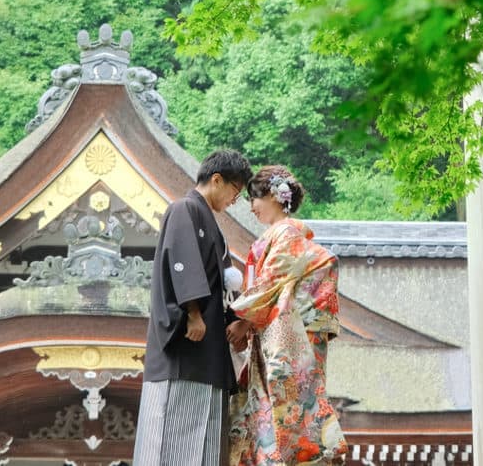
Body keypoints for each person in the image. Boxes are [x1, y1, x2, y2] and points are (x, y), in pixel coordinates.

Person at [134, 149, 253, 466]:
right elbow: (182, 263)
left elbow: (223, 286)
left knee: (205, 443)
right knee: (171, 439)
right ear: (217, 180)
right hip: (186, 348)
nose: (234, 201)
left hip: (207, 351)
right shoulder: (184, 209)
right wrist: (193, 313)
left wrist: (238, 321)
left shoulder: (209, 222)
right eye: (234, 192)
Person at [226, 165, 347, 466]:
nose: (251, 206)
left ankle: (283, 457)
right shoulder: (279, 235)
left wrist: (240, 319)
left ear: (274, 197)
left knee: (286, 397)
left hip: (289, 335)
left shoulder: (287, 233)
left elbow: (271, 282)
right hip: (274, 331)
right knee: (270, 402)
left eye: (255, 198)